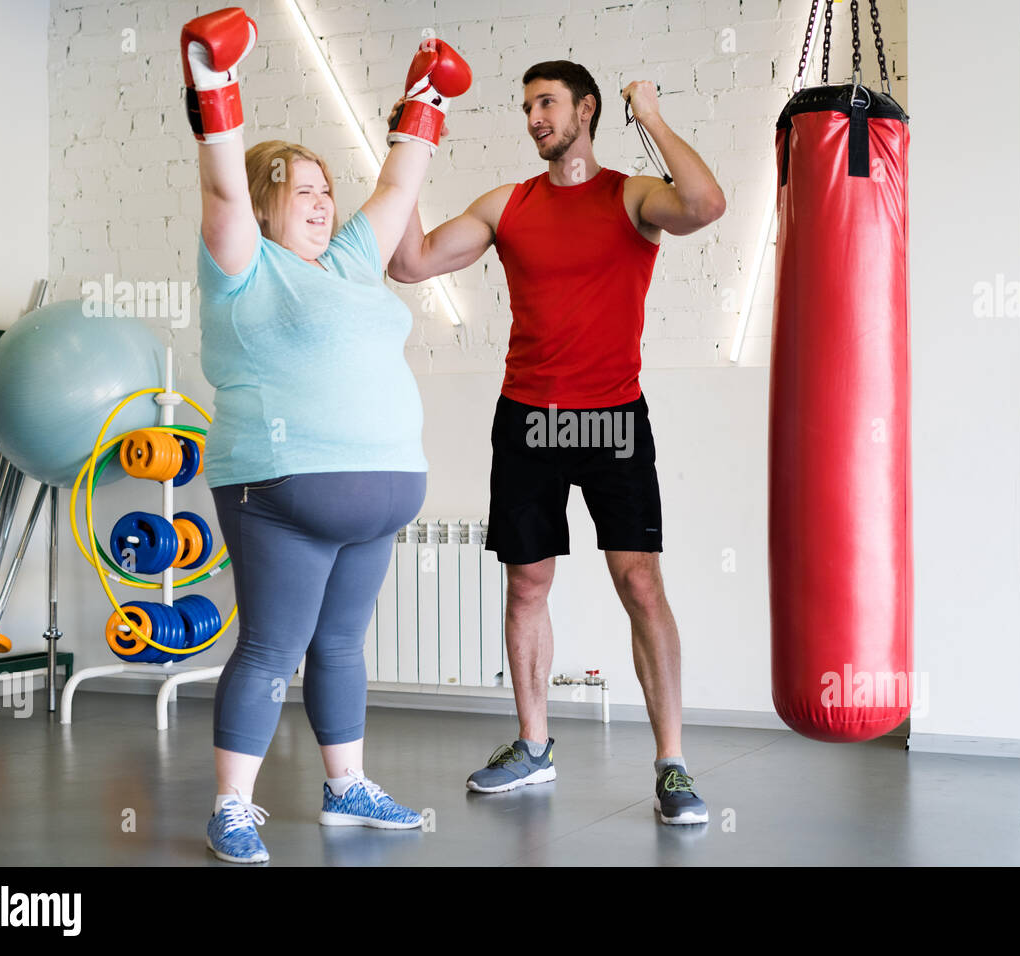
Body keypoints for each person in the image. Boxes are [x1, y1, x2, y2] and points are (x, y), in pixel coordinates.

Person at [388, 61, 725, 824]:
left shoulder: (632, 194)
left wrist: (655, 117)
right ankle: (533, 746)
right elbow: (408, 262)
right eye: (528, 106)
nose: (535, 118)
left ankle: (672, 763)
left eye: (547, 103)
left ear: (587, 110)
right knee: (526, 585)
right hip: (529, 418)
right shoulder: (508, 204)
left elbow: (705, 203)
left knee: (641, 585)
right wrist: (409, 139)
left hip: (611, 418)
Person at [184, 7, 471, 862]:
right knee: (272, 647)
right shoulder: (242, 264)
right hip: (277, 488)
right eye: (301, 189)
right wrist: (213, 79)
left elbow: (395, 192)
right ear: (270, 201)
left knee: (342, 643)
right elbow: (223, 186)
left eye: (325, 188)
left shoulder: (348, 263)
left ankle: (346, 788)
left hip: (377, 495)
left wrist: (424, 99)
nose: (322, 201)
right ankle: (231, 806)